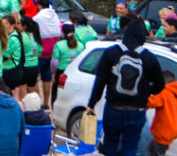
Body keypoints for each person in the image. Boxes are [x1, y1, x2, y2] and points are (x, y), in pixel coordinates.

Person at [88, 17, 166, 156]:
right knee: (130, 148)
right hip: (136, 111)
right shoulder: (149, 58)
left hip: (113, 109)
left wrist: (92, 104)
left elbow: (100, 82)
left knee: (110, 145)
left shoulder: (111, 53)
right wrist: (145, 91)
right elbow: (160, 86)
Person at [33, 0, 61, 108]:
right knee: (47, 78)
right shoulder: (55, 16)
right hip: (53, 52)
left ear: (39, 5)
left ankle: (38, 102)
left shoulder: (37, 17)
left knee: (34, 79)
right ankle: (46, 103)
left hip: (41, 51)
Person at [146, 70, 177, 156]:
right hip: (168, 134)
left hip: (162, 134)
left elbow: (151, 102)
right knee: (150, 148)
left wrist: (140, 100)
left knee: (155, 151)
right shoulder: (174, 93)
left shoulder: (164, 92)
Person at [51, 23, 84, 104]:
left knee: (57, 96)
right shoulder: (81, 46)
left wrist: (53, 73)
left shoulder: (59, 45)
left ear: (62, 33)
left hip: (61, 73)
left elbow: (54, 62)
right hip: (75, 74)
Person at [19, 16, 42, 99]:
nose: (17, 26)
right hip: (34, 66)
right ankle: (37, 105)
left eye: (19, 24)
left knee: (23, 90)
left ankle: (24, 109)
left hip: (24, 66)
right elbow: (40, 53)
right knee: (33, 88)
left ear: (24, 26)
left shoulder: (21, 36)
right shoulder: (36, 36)